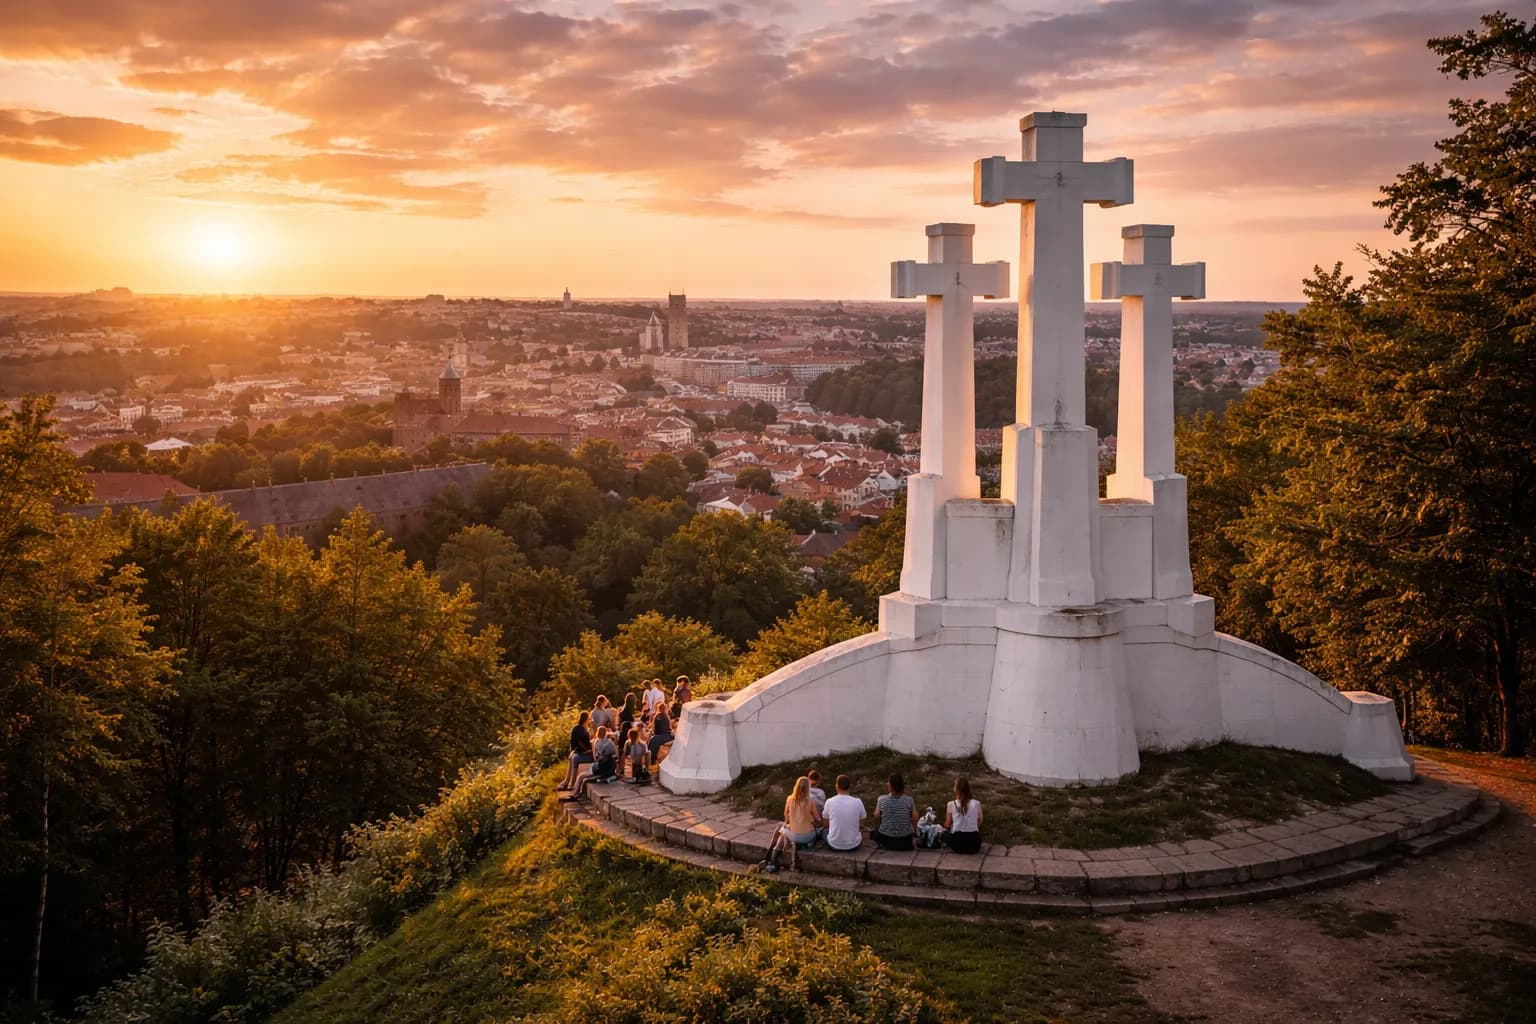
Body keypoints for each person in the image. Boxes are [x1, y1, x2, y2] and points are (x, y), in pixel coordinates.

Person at [761, 776, 821, 872]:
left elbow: (787, 819)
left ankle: (772, 856)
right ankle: (803, 844)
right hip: (809, 836)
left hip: (793, 836)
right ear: (808, 789)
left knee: (781, 828)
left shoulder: (789, 799)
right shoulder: (810, 801)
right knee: (784, 828)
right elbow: (817, 819)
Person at [872, 773, 918, 850]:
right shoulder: (909, 800)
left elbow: (876, 815)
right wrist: (914, 832)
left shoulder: (881, 799)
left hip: (885, 839)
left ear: (891, 786)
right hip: (905, 841)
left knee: (875, 832)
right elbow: (915, 818)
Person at [822, 773, 866, 852]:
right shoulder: (858, 802)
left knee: (823, 831)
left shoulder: (829, 801)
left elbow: (825, 824)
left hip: (834, 844)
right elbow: (862, 824)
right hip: (854, 844)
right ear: (849, 787)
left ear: (837, 786)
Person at [571, 726, 618, 799]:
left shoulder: (596, 742)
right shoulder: (609, 742)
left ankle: (575, 793)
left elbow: (595, 757)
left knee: (581, 776)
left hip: (601, 768)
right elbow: (616, 754)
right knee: (582, 777)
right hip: (606, 766)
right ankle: (577, 793)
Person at [942, 776, 983, 854]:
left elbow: (947, 824)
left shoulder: (951, 804)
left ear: (956, 789)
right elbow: (980, 821)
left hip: (958, 844)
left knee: (942, 833)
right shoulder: (977, 803)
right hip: (975, 845)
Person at [557, 710, 594, 790]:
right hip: (581, 751)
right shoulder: (580, 729)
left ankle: (566, 782)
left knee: (572, 759)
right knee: (575, 759)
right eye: (589, 719)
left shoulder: (581, 728)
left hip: (576, 750)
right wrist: (587, 750)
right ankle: (570, 784)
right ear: (586, 719)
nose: (590, 720)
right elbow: (580, 742)